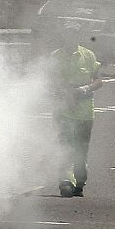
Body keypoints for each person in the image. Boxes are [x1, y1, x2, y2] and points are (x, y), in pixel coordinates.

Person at [49, 20, 104, 197]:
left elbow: (98, 80)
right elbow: (50, 81)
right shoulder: (55, 56)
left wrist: (85, 89)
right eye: (67, 34)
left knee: (81, 149)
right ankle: (65, 180)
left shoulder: (88, 55)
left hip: (85, 112)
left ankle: (80, 180)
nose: (70, 37)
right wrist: (65, 93)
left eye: (74, 34)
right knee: (64, 145)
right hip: (63, 109)